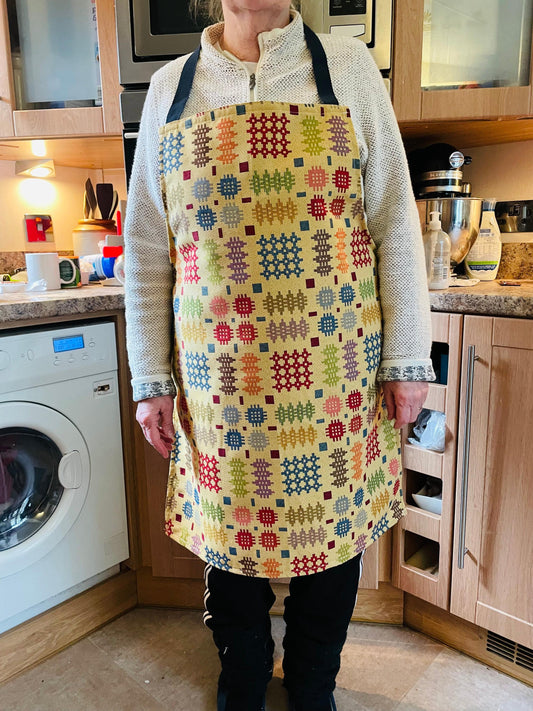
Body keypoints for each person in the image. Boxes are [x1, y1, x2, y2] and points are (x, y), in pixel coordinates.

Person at [124, 2, 434, 710]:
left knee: (331, 543)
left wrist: (406, 358)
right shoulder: (171, 86)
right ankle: (242, 672)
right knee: (229, 549)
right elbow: (145, 245)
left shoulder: (346, 67)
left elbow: (391, 215)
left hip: (333, 372)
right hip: (217, 381)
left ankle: (311, 679)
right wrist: (149, 377)